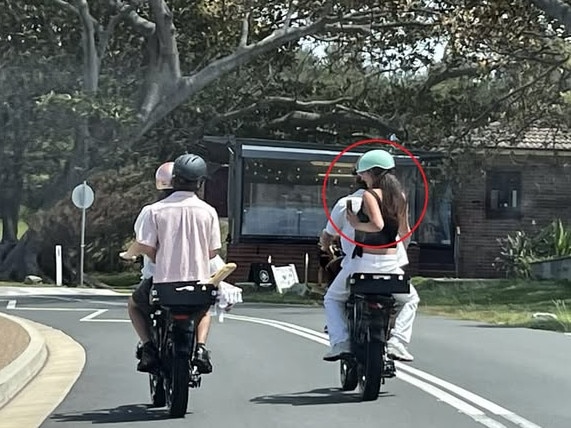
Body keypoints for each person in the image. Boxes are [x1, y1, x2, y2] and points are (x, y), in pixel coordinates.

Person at [125, 153, 222, 375]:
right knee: (204, 309)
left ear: (175, 179)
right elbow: (213, 252)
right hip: (197, 285)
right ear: (199, 182)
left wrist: (161, 257)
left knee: (134, 305)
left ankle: (149, 348)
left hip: (162, 285)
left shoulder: (154, 211)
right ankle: (200, 349)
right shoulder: (209, 212)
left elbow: (145, 246)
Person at [322, 149, 420, 363]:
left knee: (332, 298)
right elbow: (405, 233)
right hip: (391, 264)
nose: (361, 177)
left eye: (362, 173)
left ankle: (340, 342)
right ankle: (398, 341)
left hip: (361, 263)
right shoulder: (399, 197)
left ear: (369, 174)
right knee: (411, 299)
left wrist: (356, 224)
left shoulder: (361, 198)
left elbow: (375, 225)